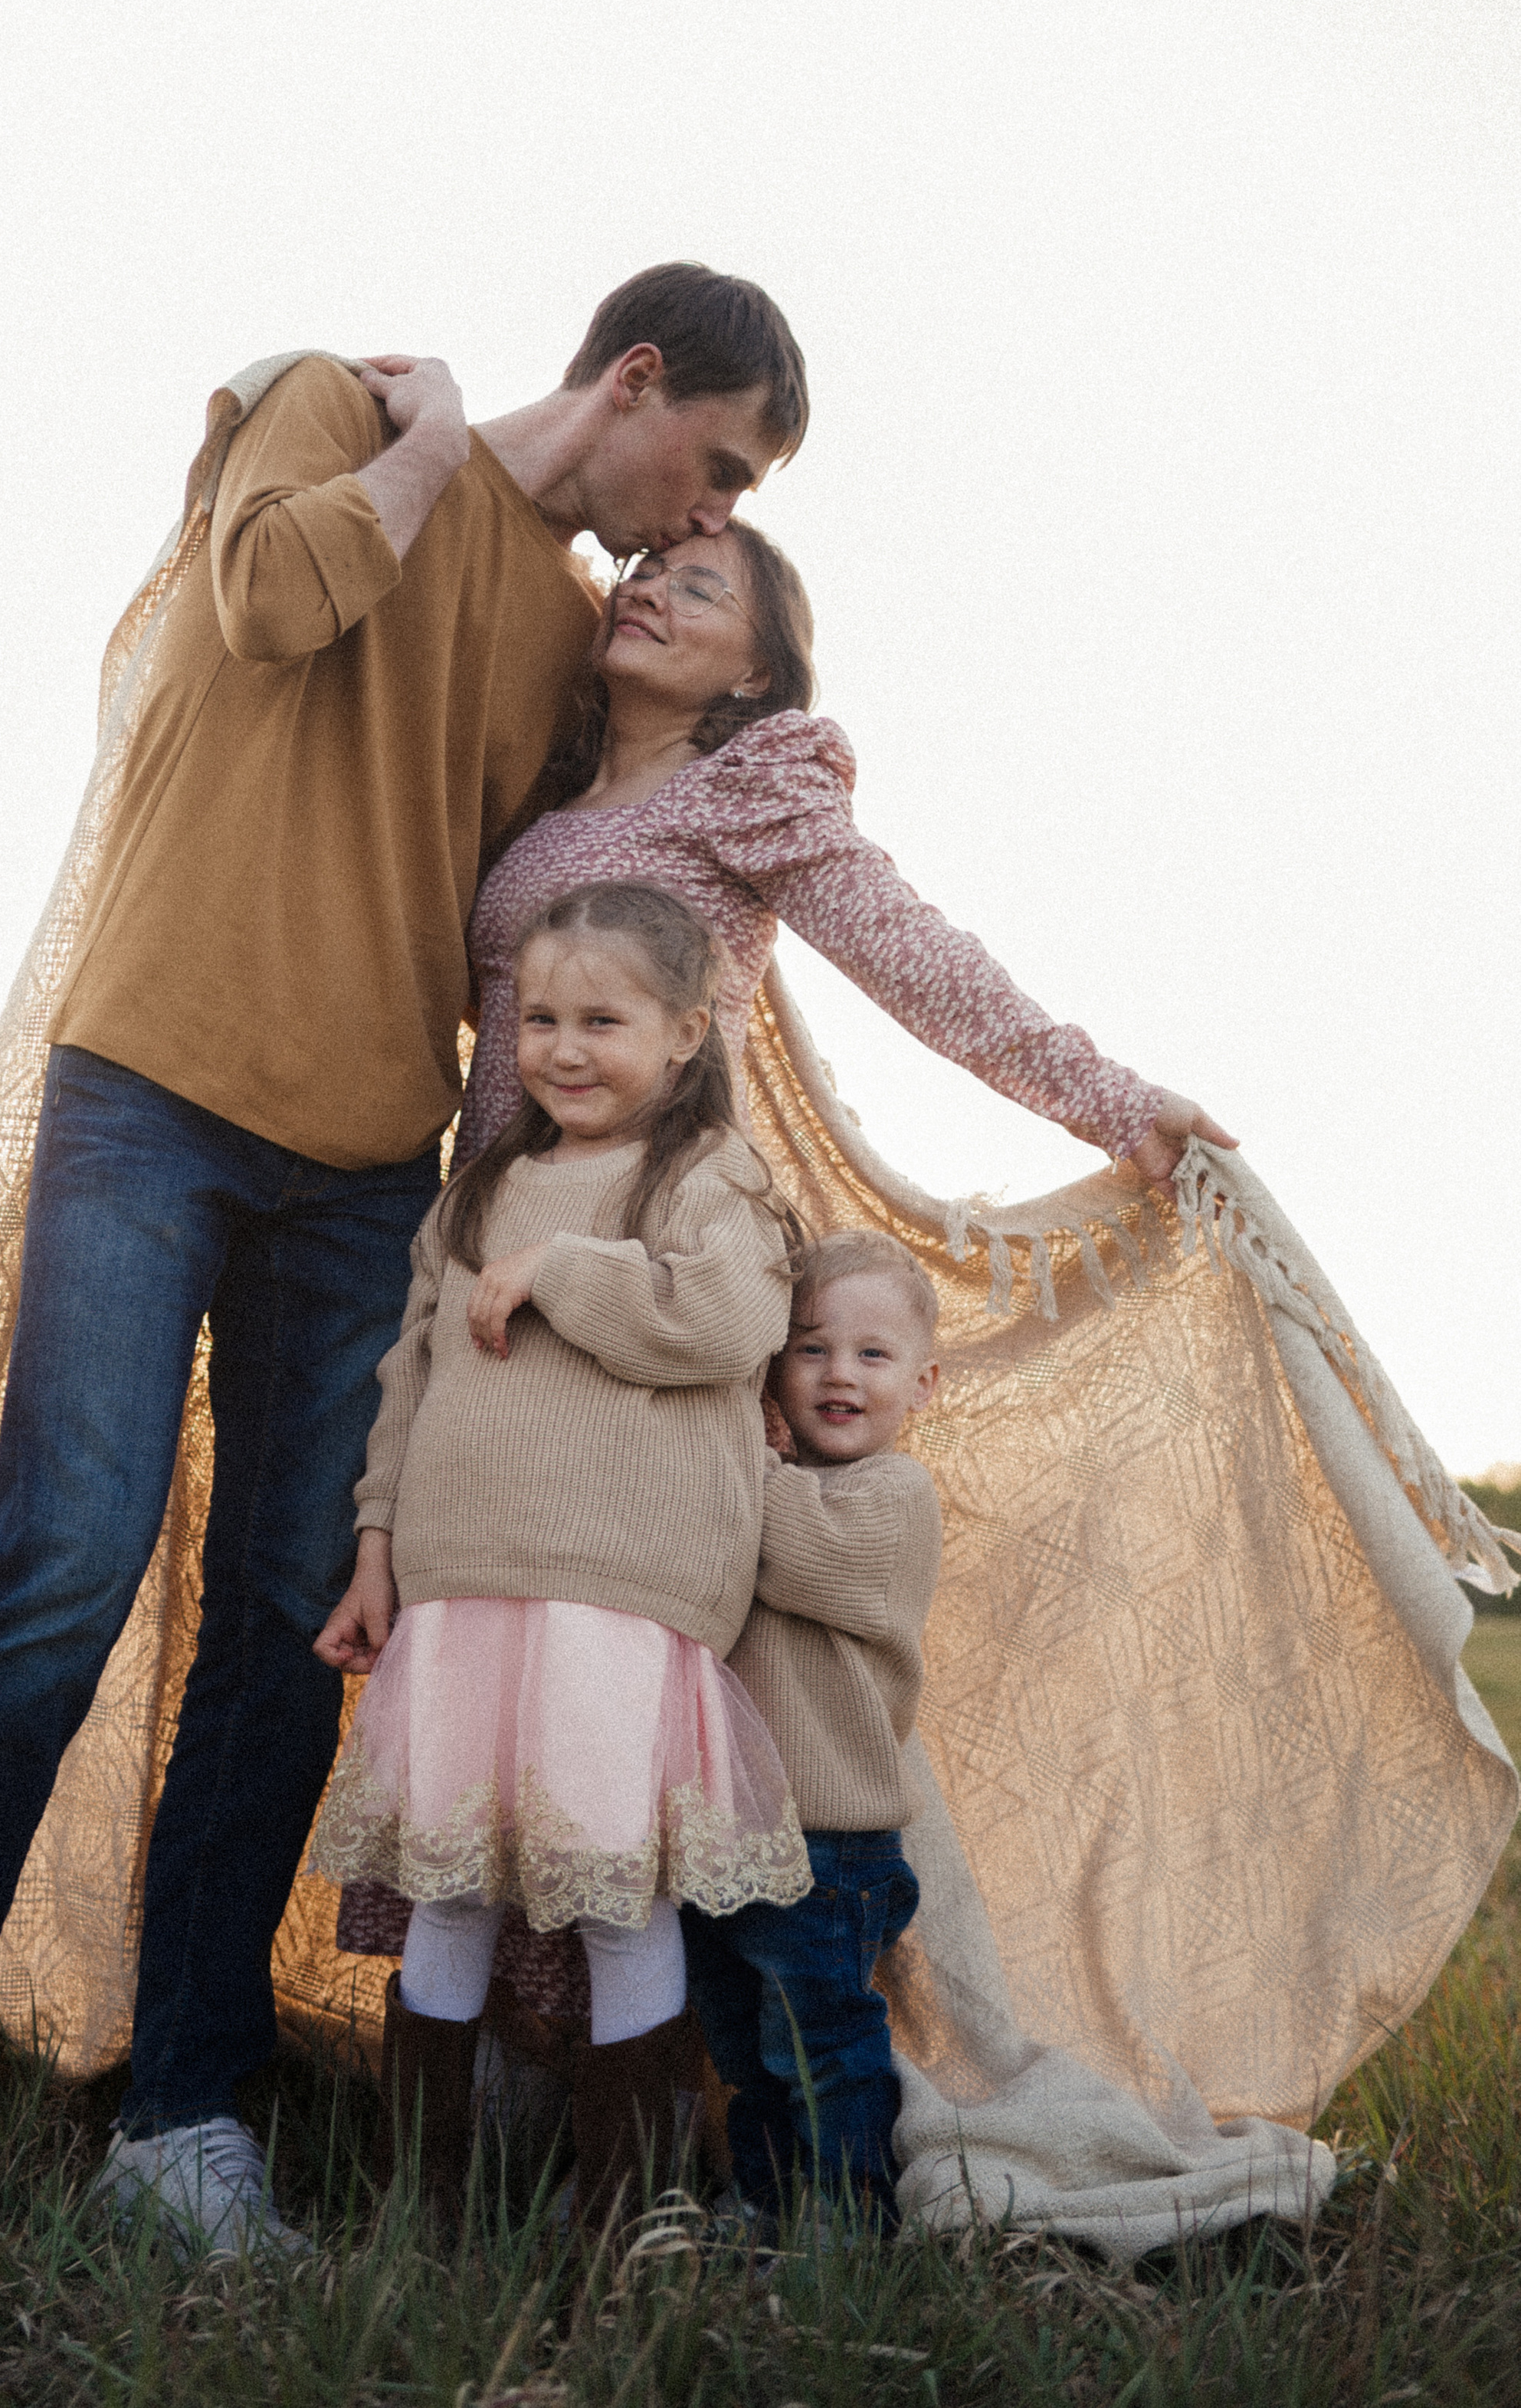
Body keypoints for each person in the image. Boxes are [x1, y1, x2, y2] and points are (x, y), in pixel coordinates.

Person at [0, 264, 811, 2258]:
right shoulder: (339, 410)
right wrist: (428, 447)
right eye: (723, 465)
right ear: (637, 378)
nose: (710, 515)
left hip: (360, 1167)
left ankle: (185, 2116)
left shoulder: (574, 640)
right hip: (152, 1087)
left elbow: (570, 904)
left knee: (281, 1625)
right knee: (64, 1561)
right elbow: (266, 602)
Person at [337, 514, 1235, 2014]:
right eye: (645, 568)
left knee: (599, 1687)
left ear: (756, 670)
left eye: (697, 587)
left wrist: (1108, 1097)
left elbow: (918, 958)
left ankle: (628, 2081)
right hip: (496, 1218)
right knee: (495, 1672)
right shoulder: (549, 786)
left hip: (642, 1254)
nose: (647, 589)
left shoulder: (751, 788)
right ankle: (500, 2075)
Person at [307, 881, 815, 2231]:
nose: (564, 1047)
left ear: (689, 1031)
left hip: (615, 1600)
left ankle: (626, 2213)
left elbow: (728, 1322)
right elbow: (410, 1375)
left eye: (603, 1019)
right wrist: (376, 1543)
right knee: (451, 1889)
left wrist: (562, 1270)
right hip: (459, 1591)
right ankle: (424, 2204)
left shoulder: (711, 1177)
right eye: (539, 1018)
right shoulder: (480, 1188)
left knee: (615, 1895)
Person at [682, 1228, 944, 2236]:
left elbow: (795, 1554)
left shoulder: (893, 1493)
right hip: (726, 1830)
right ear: (773, 1367)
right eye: (811, 1348)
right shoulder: (766, 1478)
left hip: (828, 1844)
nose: (840, 1374)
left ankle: (850, 2221)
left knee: (822, 2046)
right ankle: (765, 2201)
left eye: (872, 1354)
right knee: (744, 2051)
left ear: (922, 1384)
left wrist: (733, 1440)